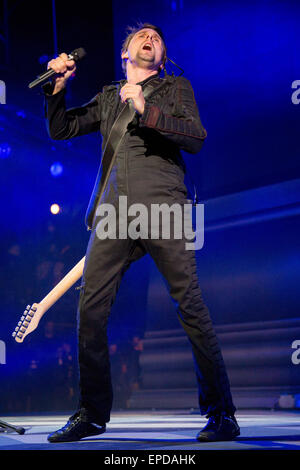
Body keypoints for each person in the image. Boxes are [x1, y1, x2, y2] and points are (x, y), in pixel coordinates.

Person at [43, 22, 240, 443]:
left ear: (162, 57)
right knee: (90, 310)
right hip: (113, 212)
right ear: (125, 53)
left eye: (156, 38)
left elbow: (196, 137)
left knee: (189, 304)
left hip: (164, 204)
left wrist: (146, 111)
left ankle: (222, 413)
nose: (149, 39)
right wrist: (56, 89)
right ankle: (92, 413)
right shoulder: (110, 95)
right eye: (141, 37)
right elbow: (61, 129)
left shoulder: (175, 89)